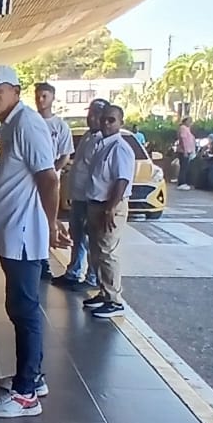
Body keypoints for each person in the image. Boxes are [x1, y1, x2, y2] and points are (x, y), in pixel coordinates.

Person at [0, 66, 68, 417]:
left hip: (24, 234)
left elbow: (49, 178)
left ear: (15, 90)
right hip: (13, 230)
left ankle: (26, 394)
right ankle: (31, 376)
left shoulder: (27, 123)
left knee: (24, 309)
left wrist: (52, 223)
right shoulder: (12, 123)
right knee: (19, 306)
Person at [83, 104, 134, 319]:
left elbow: (121, 180)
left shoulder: (120, 148)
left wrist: (110, 208)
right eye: (104, 119)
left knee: (107, 252)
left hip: (109, 206)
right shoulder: (102, 144)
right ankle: (104, 293)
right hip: (96, 204)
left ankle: (114, 300)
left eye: (111, 120)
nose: (106, 123)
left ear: (120, 123)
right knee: (96, 252)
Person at [54, 98, 107, 291]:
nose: (91, 118)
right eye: (89, 113)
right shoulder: (87, 136)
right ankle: (73, 271)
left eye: (95, 114)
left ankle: (91, 277)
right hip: (78, 197)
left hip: (90, 199)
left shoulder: (103, 140)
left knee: (91, 239)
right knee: (77, 236)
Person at [34, 82, 74, 281]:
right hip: (31, 181)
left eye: (44, 96)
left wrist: (52, 172)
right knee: (33, 219)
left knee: (48, 219)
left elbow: (65, 153)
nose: (40, 100)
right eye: (38, 96)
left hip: (49, 180)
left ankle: (44, 260)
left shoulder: (60, 126)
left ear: (52, 98)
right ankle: (36, 258)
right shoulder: (30, 121)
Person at [175, 117, 196, 190]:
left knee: (185, 167)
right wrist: (185, 151)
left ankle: (183, 182)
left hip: (188, 151)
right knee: (183, 167)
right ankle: (181, 183)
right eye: (189, 121)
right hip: (184, 151)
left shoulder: (187, 129)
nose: (190, 123)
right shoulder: (183, 128)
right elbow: (183, 140)